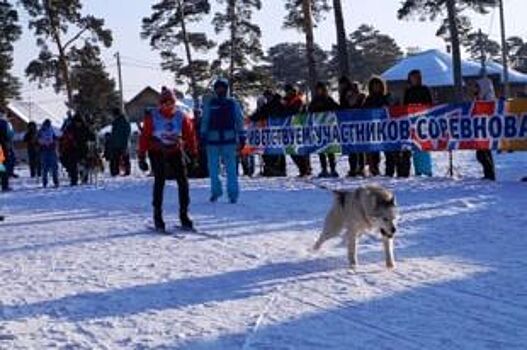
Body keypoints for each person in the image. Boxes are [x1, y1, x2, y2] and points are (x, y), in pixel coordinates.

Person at [138, 87, 197, 231]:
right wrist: (141, 156)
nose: (168, 106)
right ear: (160, 104)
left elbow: (190, 135)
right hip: (157, 150)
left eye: (171, 103)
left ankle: (184, 215)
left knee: (183, 182)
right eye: (165, 103)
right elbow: (145, 136)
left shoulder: (181, 116)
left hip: (175, 149)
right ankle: (157, 216)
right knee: (160, 180)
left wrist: (193, 153)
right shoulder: (153, 116)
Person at [200, 78, 245, 203]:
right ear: (215, 90)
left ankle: (233, 194)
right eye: (218, 88)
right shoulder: (210, 103)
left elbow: (239, 120)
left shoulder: (233, 103)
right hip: (212, 141)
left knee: (231, 170)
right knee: (213, 170)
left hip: (229, 141)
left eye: (223, 88)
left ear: (226, 89)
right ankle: (216, 192)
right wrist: (202, 135)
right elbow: (205, 120)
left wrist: (242, 136)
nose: (220, 90)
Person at [403, 69, 434, 177]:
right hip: (412, 122)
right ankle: (418, 170)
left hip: (423, 121)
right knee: (415, 147)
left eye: (418, 77)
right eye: (414, 77)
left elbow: (430, 104)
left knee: (424, 146)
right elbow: (405, 106)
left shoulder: (425, 89)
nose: (416, 79)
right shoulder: (408, 91)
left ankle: (427, 169)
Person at [250, 89, 287, 177]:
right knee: (269, 151)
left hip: (278, 131)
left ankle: (279, 169)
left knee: (278, 151)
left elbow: (284, 113)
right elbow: (260, 114)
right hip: (269, 133)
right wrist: (251, 119)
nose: (268, 98)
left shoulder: (277, 104)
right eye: (266, 97)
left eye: (268, 96)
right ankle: (272, 168)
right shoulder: (268, 105)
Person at [467, 78, 496, 181]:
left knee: (482, 154)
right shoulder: (478, 98)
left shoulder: (489, 99)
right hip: (480, 131)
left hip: (487, 131)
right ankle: (489, 174)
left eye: (477, 86)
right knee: (482, 153)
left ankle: (490, 175)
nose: (475, 89)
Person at [309, 81, 340, 177]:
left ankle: (333, 169)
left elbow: (336, 108)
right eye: (318, 89)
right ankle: (324, 169)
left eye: (321, 89)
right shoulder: (314, 100)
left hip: (329, 127)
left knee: (330, 150)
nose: (319, 91)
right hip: (318, 128)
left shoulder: (328, 99)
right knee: (321, 150)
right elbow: (310, 110)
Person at [362, 77, 392, 176]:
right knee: (374, 151)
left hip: (386, 128)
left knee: (388, 151)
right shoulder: (368, 100)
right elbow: (362, 113)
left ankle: (389, 170)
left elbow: (392, 110)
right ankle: (374, 169)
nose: (376, 87)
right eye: (374, 86)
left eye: (378, 85)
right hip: (373, 129)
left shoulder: (386, 98)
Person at [281, 84, 311, 177]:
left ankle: (305, 169)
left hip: (300, 128)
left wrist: (285, 108)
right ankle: (303, 169)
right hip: (289, 129)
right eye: (287, 92)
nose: (288, 93)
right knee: (292, 151)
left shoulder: (297, 100)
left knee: (301, 150)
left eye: (290, 91)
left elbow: (294, 112)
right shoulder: (285, 100)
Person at [338, 77, 366, 177]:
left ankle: (360, 168)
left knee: (358, 147)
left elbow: (355, 104)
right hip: (348, 123)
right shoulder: (343, 95)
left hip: (357, 122)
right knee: (352, 148)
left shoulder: (353, 94)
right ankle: (354, 168)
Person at [60, 113, 94, 186]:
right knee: (73, 165)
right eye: (76, 122)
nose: (78, 124)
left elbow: (91, 136)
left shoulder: (85, 128)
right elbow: (64, 136)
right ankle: (74, 180)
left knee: (84, 164)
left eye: (79, 122)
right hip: (72, 150)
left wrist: (91, 137)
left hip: (83, 149)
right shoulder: (70, 128)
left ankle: (84, 178)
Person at [109, 108, 131, 177]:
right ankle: (115, 172)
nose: (113, 116)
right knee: (115, 158)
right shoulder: (116, 121)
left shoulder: (124, 121)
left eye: (114, 115)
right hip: (116, 144)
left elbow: (127, 132)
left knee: (125, 158)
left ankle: (126, 171)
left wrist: (125, 142)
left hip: (123, 143)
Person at [38, 119, 59, 188]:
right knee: (53, 168)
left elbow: (38, 140)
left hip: (45, 150)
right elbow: (56, 138)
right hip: (50, 150)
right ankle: (55, 182)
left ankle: (46, 183)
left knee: (45, 168)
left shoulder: (41, 130)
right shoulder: (51, 130)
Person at [0, 107, 14, 191]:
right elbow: (10, 135)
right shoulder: (5, 123)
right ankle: (4, 185)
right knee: (3, 166)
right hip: (3, 146)